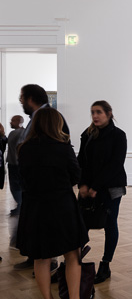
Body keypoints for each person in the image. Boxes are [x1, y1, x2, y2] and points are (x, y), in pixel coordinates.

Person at [16, 107, 98, 299]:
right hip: (61, 205)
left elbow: (22, 178)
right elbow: (75, 176)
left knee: (41, 256)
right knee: (72, 254)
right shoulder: (62, 148)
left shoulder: (23, 149)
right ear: (57, 124)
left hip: (34, 207)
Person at [15, 84, 69, 270]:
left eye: (22, 97)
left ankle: (48, 262)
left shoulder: (51, 117)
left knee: (46, 225)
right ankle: (36, 258)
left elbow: (62, 148)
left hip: (47, 188)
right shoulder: (35, 117)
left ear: (30, 99)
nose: (20, 101)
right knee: (36, 225)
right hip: (35, 186)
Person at [78, 100, 127, 284]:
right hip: (89, 188)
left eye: (99, 112)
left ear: (108, 113)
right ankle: (73, 263)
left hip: (110, 188)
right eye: (92, 112)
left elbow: (115, 164)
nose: (95, 116)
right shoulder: (88, 134)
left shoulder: (118, 135)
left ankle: (105, 265)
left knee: (109, 224)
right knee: (80, 224)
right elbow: (81, 161)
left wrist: (96, 187)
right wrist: (82, 184)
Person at [6, 116, 25, 216]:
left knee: (16, 186)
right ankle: (20, 206)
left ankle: (21, 206)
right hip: (14, 164)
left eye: (12, 120)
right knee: (16, 186)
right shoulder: (13, 133)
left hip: (16, 164)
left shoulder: (19, 133)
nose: (10, 122)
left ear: (18, 121)